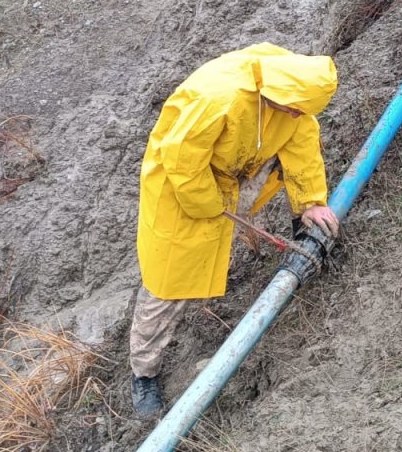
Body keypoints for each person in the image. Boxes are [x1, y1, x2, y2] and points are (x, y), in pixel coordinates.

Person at [130, 42, 342, 417]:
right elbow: (180, 159)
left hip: (232, 175)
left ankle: (257, 252)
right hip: (181, 191)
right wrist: (208, 204)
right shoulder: (217, 97)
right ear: (280, 94)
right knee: (167, 281)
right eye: (292, 108)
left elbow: (303, 146)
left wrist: (312, 202)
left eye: (300, 111)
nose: (295, 114)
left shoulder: (294, 98)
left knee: (225, 236)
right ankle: (143, 374)